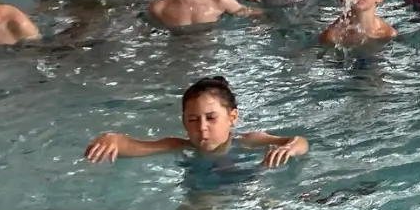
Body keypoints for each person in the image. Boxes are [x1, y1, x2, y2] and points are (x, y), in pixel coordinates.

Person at [84, 76, 307, 168]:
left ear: (232, 118)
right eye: (192, 120)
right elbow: (134, 145)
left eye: (211, 118)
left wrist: (290, 147)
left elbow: (299, 141)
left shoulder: (248, 141)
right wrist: (112, 138)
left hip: (248, 186)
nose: (201, 127)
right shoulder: (181, 147)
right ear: (183, 122)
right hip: (204, 193)